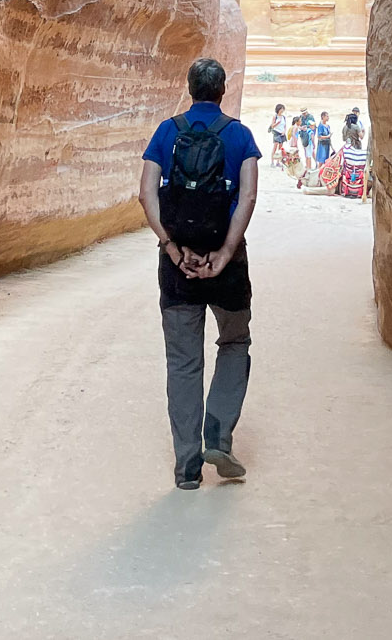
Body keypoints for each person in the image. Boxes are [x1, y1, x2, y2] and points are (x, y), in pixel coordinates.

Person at [139, 57, 261, 489]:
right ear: (223, 90)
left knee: (184, 362)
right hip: (227, 266)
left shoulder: (167, 132)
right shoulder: (240, 136)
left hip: (178, 269)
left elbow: (145, 193)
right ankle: (219, 436)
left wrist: (172, 249)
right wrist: (226, 251)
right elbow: (247, 198)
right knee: (234, 341)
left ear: (189, 89)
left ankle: (187, 467)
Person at [268, 103, 289, 169]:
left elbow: (285, 126)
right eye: (281, 109)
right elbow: (272, 125)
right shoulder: (275, 116)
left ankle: (278, 162)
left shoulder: (283, 117)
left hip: (281, 133)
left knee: (280, 148)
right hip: (276, 132)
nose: (282, 111)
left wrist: (284, 131)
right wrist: (277, 123)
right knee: (275, 146)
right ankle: (272, 162)